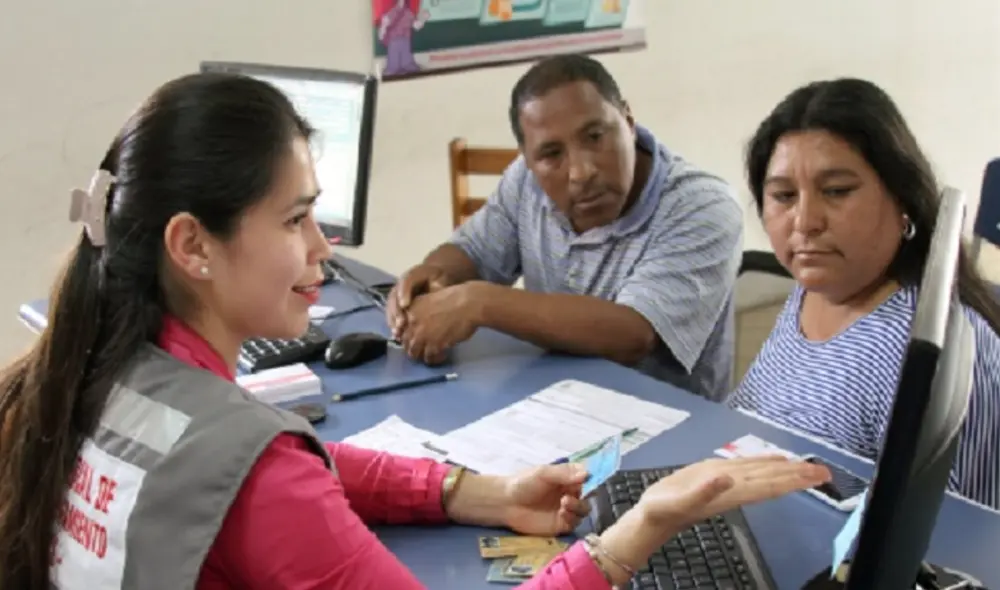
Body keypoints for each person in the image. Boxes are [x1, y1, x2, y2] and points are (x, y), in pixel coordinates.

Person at [0, 73, 829, 589]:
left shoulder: (96, 370)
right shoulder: (258, 477)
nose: (325, 246)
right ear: (192, 247)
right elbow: (269, 479)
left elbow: (282, 457)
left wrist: (476, 491)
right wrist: (638, 529)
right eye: (296, 218)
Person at [386, 54, 744, 402]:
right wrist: (432, 276)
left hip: (671, 429)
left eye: (594, 136)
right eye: (551, 154)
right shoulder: (526, 179)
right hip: (550, 403)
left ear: (629, 120)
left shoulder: (702, 205)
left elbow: (633, 333)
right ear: (528, 159)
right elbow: (473, 253)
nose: (580, 171)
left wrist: (478, 302)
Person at [727, 77, 1000, 510]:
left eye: (836, 191)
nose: (805, 221)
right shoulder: (815, 287)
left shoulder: (931, 353)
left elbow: (958, 548)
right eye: (783, 195)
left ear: (902, 197)